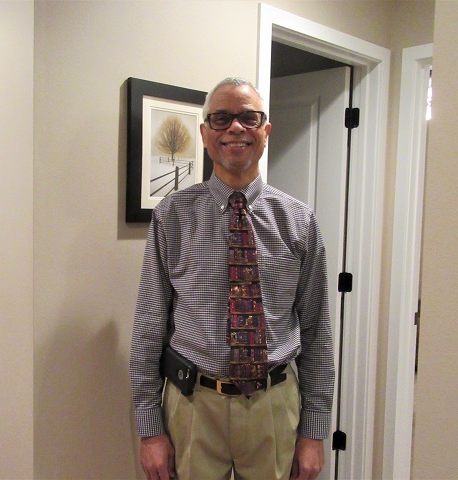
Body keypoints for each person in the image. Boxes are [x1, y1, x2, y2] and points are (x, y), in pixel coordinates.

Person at [130, 77, 335, 480]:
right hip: (193, 407)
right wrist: (150, 429)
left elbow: (316, 331)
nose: (235, 128)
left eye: (248, 118)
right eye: (221, 118)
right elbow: (149, 325)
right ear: (205, 133)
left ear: (265, 131)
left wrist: (314, 432)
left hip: (274, 407)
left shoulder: (299, 221)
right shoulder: (172, 216)